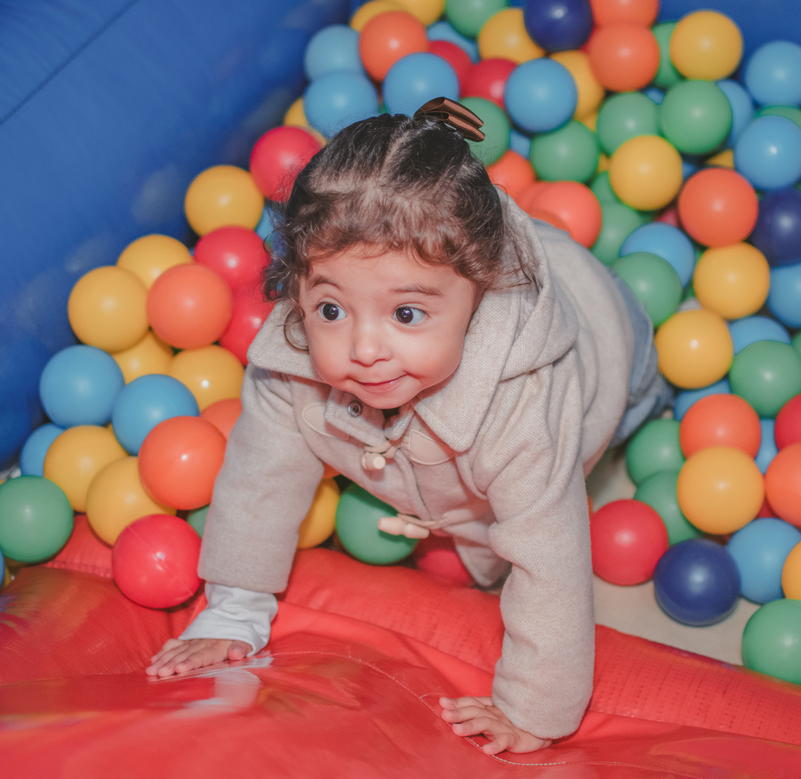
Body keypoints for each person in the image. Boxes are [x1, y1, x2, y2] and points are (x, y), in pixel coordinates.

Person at [146, 99, 671, 754]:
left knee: (641, 398)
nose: (366, 348)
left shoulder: (521, 406)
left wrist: (535, 709)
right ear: (298, 283)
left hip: (604, 327)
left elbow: (550, 561)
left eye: (407, 315)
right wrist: (235, 610)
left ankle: (653, 396)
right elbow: (260, 480)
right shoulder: (294, 364)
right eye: (331, 308)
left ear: (480, 293)